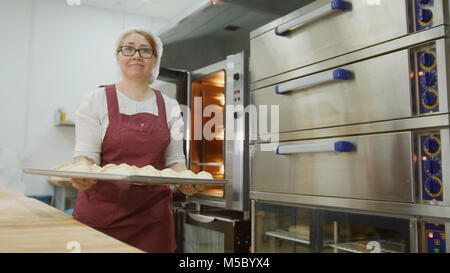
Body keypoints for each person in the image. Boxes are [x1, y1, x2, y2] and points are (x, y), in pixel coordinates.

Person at [71, 27, 198, 253]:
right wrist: (82, 174)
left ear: (154, 61)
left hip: (153, 222)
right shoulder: (95, 100)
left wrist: (184, 180)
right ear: (118, 56)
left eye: (145, 51)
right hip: (102, 218)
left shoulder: (170, 107)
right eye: (128, 49)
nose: (136, 55)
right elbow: (86, 156)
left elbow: (175, 161)